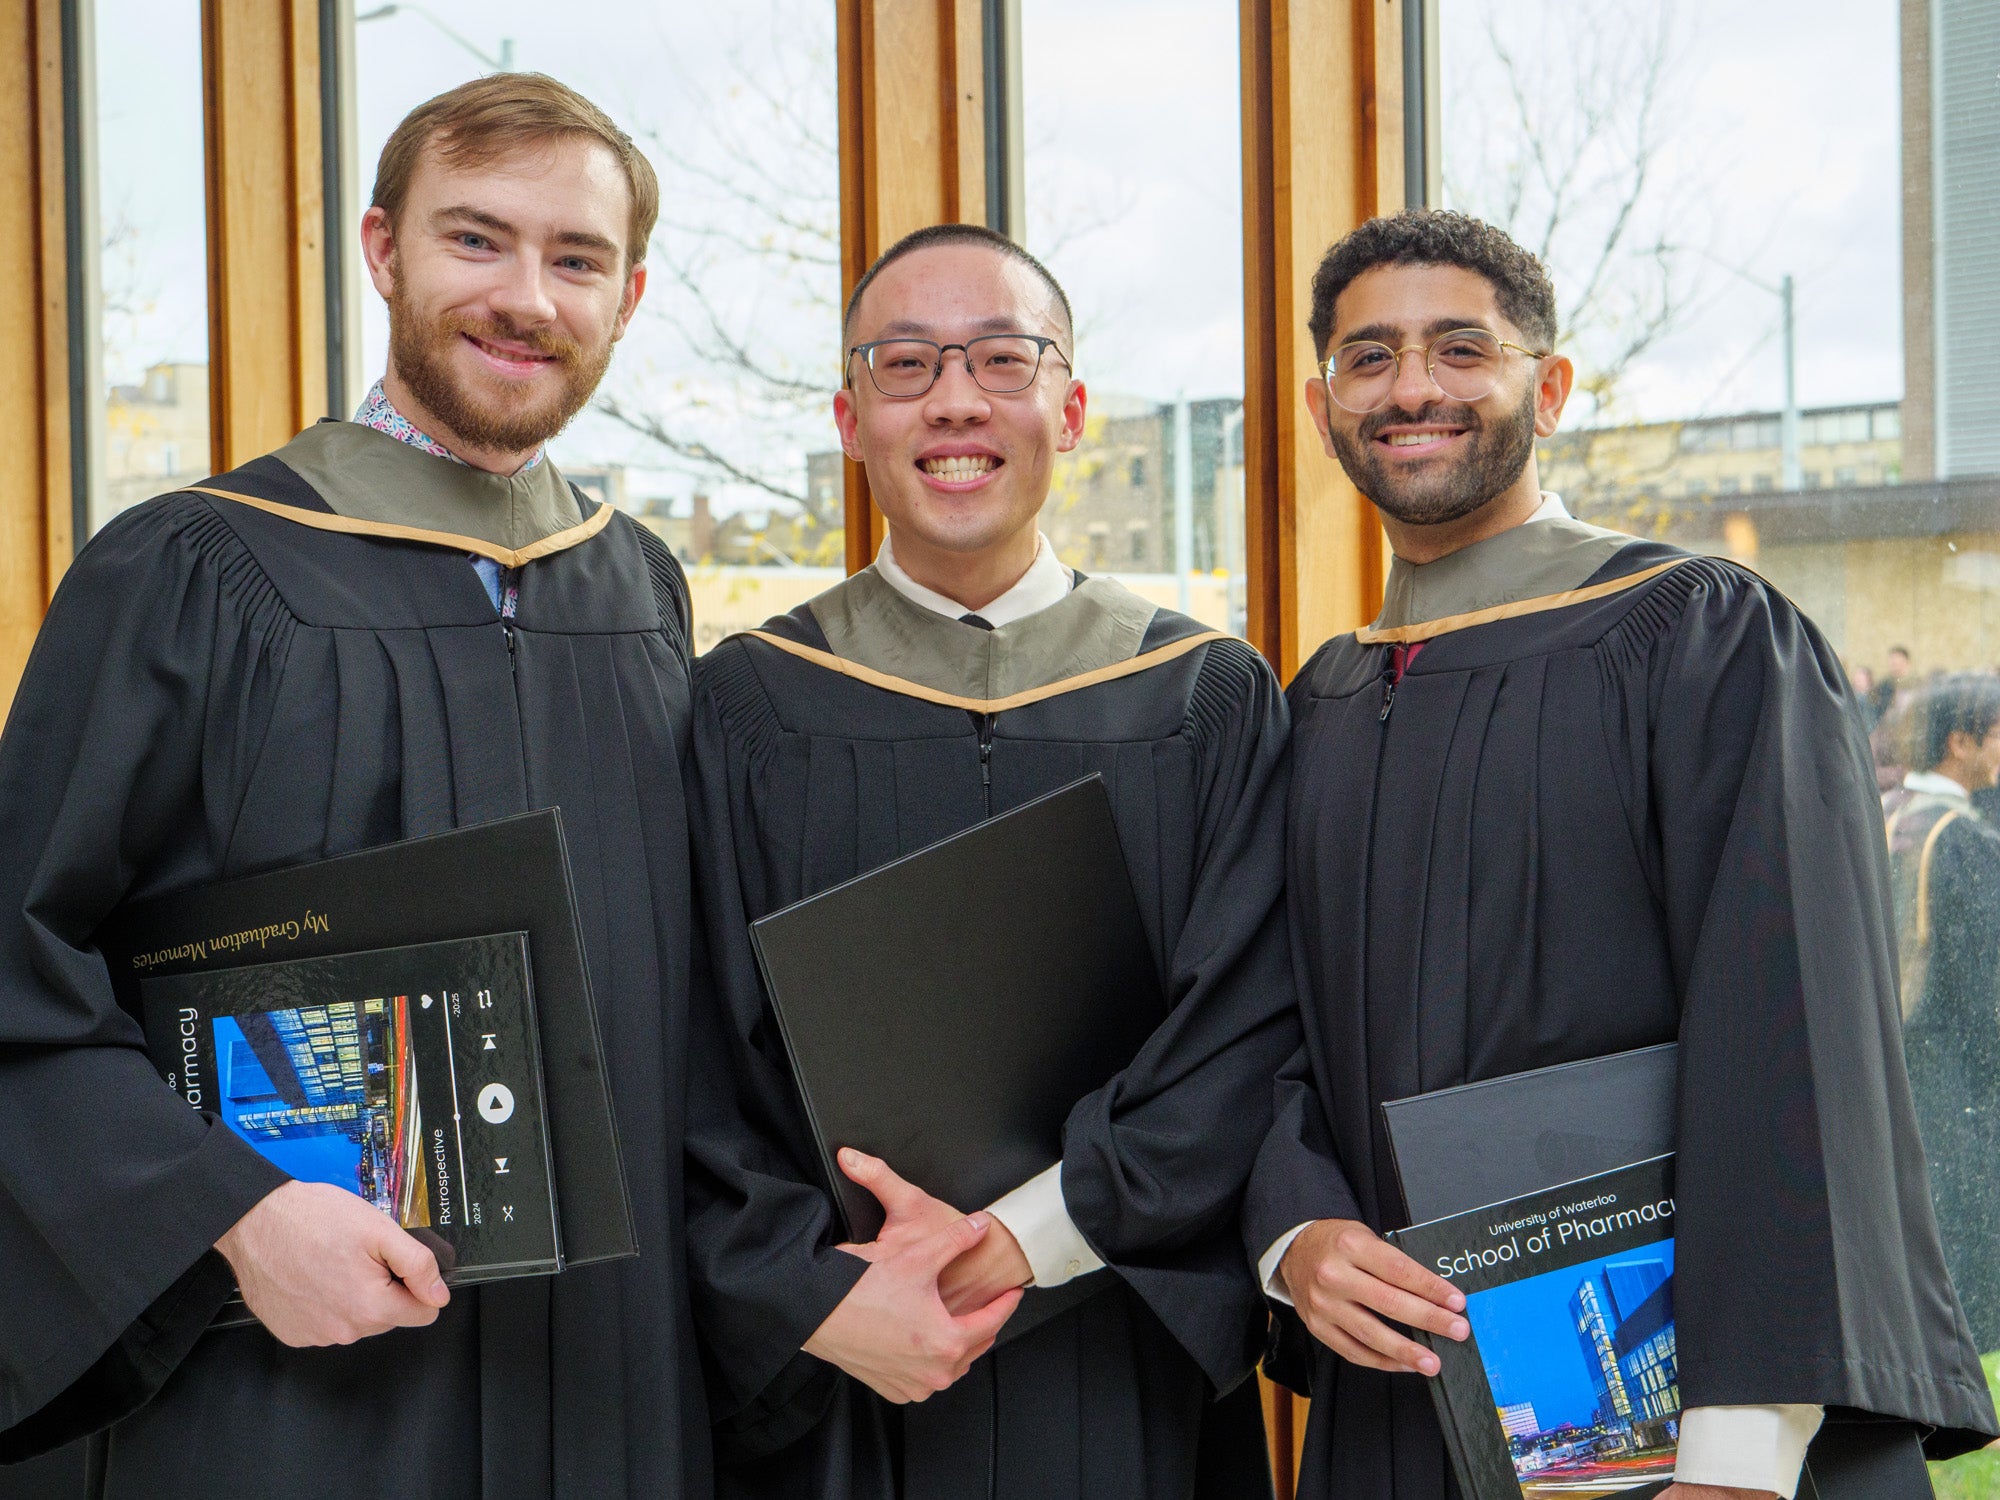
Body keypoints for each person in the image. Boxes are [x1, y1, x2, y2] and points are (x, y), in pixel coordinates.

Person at [0, 75, 709, 1500]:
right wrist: (231, 1216)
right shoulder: (198, 569)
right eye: (475, 240)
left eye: (574, 259)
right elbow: (19, 958)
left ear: (626, 298)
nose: (527, 296)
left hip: (607, 1378)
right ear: (382, 251)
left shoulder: (637, 592)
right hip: (285, 1376)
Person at [1241, 208, 1997, 1500]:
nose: (1412, 387)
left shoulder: (1701, 635)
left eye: (1458, 348)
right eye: (1369, 359)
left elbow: (1794, 1030)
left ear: (1549, 386)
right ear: (1322, 409)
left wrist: (1741, 1449)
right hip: (1418, 1400)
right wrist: (1294, 1230)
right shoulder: (1317, 704)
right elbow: (1264, 1035)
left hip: (1697, 1428)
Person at [684, 223, 1294, 1499]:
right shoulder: (748, 705)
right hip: (839, 1362)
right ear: (848, 420)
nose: (953, 399)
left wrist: (1028, 1238)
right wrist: (814, 1290)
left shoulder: (1200, 699)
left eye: (1000, 360)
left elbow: (1244, 1033)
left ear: (1070, 410)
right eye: (903, 364)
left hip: (1120, 1347)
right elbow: (689, 1049)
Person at [1886, 675, 2000, 1353]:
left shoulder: (1884, 812)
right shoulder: (1960, 838)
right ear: (1960, 743)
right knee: (1963, 1224)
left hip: (1891, 1055)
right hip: (1953, 1065)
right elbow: (1985, 979)